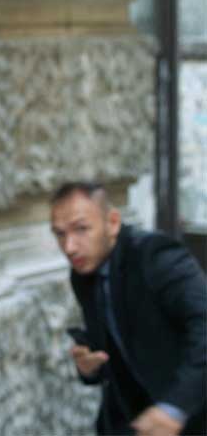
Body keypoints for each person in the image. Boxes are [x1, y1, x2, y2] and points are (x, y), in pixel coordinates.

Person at [50, 182, 206, 435]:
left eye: (81, 229)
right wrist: (89, 368)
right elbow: (116, 348)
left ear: (112, 223)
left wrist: (174, 407)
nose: (69, 247)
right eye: (59, 234)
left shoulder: (156, 256)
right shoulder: (83, 273)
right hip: (133, 419)